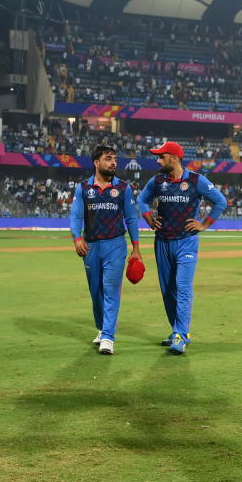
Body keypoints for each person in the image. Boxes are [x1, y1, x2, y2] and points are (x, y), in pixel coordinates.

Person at [136, 141, 228, 354]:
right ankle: (179, 331)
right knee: (168, 290)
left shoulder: (196, 180)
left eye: (161, 157)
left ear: (174, 158)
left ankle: (180, 333)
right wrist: (149, 219)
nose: (158, 160)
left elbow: (220, 201)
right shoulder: (158, 181)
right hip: (162, 243)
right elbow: (141, 201)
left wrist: (204, 224)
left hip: (187, 241)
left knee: (183, 287)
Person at [70, 144, 142, 355]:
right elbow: (76, 216)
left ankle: (109, 337)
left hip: (115, 246)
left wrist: (136, 248)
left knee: (111, 290)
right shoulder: (83, 188)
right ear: (96, 162)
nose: (113, 163)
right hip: (91, 247)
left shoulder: (123, 188)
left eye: (115, 159)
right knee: (96, 293)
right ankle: (102, 329)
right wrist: (76, 238)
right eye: (108, 159)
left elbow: (131, 218)